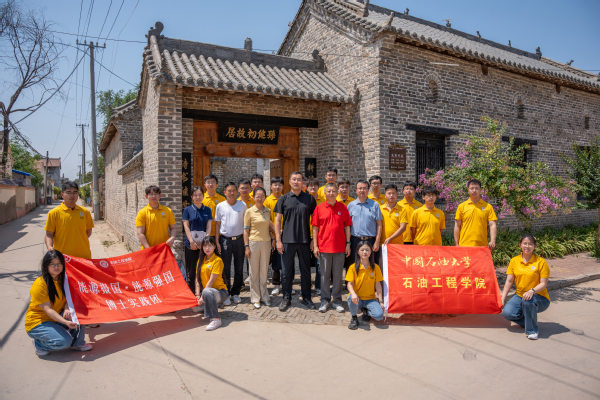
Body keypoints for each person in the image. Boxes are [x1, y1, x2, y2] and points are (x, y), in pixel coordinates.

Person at [26, 250, 92, 356]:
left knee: (78, 312)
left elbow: (70, 298)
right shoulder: (40, 285)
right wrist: (65, 322)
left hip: (56, 318)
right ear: (46, 265)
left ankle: (77, 343)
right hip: (38, 323)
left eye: (59, 263)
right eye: (52, 264)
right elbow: (48, 310)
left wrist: (67, 308)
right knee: (64, 342)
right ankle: (39, 344)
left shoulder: (64, 278)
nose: (56, 267)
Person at [274, 172, 317, 311]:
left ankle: (307, 297)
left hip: (305, 240)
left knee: (305, 271)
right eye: (294, 179)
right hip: (287, 240)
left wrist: (313, 240)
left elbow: (315, 222)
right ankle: (286, 298)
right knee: (286, 272)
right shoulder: (283, 199)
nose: (296, 182)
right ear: (290, 181)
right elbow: (277, 220)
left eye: (299, 179)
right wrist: (278, 240)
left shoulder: (309, 199)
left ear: (303, 182)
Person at [501, 234, 550, 340]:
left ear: (534, 246)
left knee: (528, 300)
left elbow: (543, 284)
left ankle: (532, 331)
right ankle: (529, 322)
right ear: (520, 245)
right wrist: (502, 298)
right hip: (520, 295)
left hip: (539, 297)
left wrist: (532, 291)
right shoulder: (514, 261)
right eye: (525, 243)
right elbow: (509, 281)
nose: (527, 246)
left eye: (530, 244)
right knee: (507, 313)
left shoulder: (541, 262)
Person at [312, 183, 352, 313]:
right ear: (324, 193)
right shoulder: (319, 208)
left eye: (333, 191)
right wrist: (316, 246)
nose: (331, 193)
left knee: (338, 276)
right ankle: (324, 300)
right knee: (324, 275)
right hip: (324, 247)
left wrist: (348, 243)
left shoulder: (343, 207)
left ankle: (337, 300)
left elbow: (347, 226)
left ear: (337, 193)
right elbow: (315, 228)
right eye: (328, 191)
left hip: (340, 247)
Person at [215, 182, 247, 305]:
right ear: (225, 192)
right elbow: (217, 224)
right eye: (229, 190)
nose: (232, 192)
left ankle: (235, 292)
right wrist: (217, 241)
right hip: (225, 240)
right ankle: (226, 293)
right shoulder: (220, 206)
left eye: (234, 190)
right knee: (225, 268)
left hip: (239, 240)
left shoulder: (242, 205)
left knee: (239, 267)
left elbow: (246, 224)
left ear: (237, 191)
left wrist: (246, 242)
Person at [244, 187, 276, 309]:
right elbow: (246, 231)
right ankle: (255, 298)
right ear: (253, 197)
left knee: (264, 271)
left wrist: (273, 238)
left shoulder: (268, 211)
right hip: (253, 244)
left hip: (266, 244)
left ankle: (265, 296)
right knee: (254, 272)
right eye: (257, 196)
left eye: (262, 196)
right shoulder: (249, 211)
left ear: (265, 197)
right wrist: (246, 247)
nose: (260, 198)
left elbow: (269, 226)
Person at [44, 181, 94, 259]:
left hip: (83, 257)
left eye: (75, 192)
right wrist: (50, 247)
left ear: (78, 194)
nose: (72, 195)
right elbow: (49, 234)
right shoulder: (54, 213)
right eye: (68, 192)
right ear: (62, 195)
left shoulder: (85, 212)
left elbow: (88, 232)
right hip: (62, 258)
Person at [346, 241, 384, 330]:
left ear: (371, 252)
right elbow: (349, 284)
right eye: (362, 250)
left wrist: (381, 301)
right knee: (351, 298)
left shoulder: (376, 267)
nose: (364, 252)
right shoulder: (353, 267)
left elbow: (378, 286)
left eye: (367, 250)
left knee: (379, 316)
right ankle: (354, 318)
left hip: (370, 299)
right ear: (358, 252)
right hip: (357, 298)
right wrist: (353, 294)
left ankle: (366, 311)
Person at [195, 236, 229, 331]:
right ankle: (212, 305)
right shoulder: (200, 260)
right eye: (205, 246)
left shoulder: (217, 260)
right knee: (194, 307)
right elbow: (197, 279)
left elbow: (211, 281)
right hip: (207, 292)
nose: (207, 248)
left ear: (214, 247)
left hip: (221, 292)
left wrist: (202, 296)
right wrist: (197, 295)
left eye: (210, 245)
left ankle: (216, 319)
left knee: (206, 291)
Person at [182, 186, 213, 292]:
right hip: (190, 245)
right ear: (192, 197)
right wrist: (191, 241)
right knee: (191, 271)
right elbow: (186, 226)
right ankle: (192, 293)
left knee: (203, 270)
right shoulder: (187, 210)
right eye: (195, 195)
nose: (198, 197)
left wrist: (206, 243)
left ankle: (203, 293)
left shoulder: (207, 210)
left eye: (200, 195)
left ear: (203, 196)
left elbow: (208, 226)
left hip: (204, 246)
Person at [347, 180, 383, 266]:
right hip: (355, 240)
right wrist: (348, 243)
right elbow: (347, 225)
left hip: (370, 240)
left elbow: (379, 224)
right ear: (356, 190)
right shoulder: (351, 205)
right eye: (360, 188)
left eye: (364, 188)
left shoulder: (375, 204)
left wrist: (377, 242)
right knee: (354, 265)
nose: (362, 190)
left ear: (368, 190)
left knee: (371, 265)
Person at [454, 179, 498, 249]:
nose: (474, 190)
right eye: (472, 188)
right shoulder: (461, 206)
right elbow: (457, 226)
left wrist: (492, 241)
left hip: (482, 245)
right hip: (464, 245)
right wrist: (456, 244)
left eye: (476, 188)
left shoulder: (487, 206)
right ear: (468, 190)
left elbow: (492, 224)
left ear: (480, 190)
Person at [264, 176, 285, 295]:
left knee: (288, 259)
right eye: (275, 185)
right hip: (272, 236)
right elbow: (267, 219)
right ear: (271, 186)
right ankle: (276, 284)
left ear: (283, 186)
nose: (277, 187)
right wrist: (276, 233)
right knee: (275, 261)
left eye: (279, 185)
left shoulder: (286, 198)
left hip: (286, 234)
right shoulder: (267, 201)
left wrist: (283, 230)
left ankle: (287, 283)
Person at [307, 177, 324, 295]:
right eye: (310, 186)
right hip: (305, 235)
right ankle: (306, 285)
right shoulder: (303, 200)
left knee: (319, 263)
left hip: (320, 236)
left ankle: (318, 285)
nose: (313, 187)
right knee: (305, 263)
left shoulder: (323, 200)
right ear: (307, 188)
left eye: (315, 185)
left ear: (318, 187)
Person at [202, 174, 226, 239]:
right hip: (204, 232)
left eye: (213, 182)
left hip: (219, 232)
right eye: (208, 182)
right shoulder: (200, 198)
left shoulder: (222, 199)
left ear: (216, 185)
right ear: (205, 185)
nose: (211, 184)